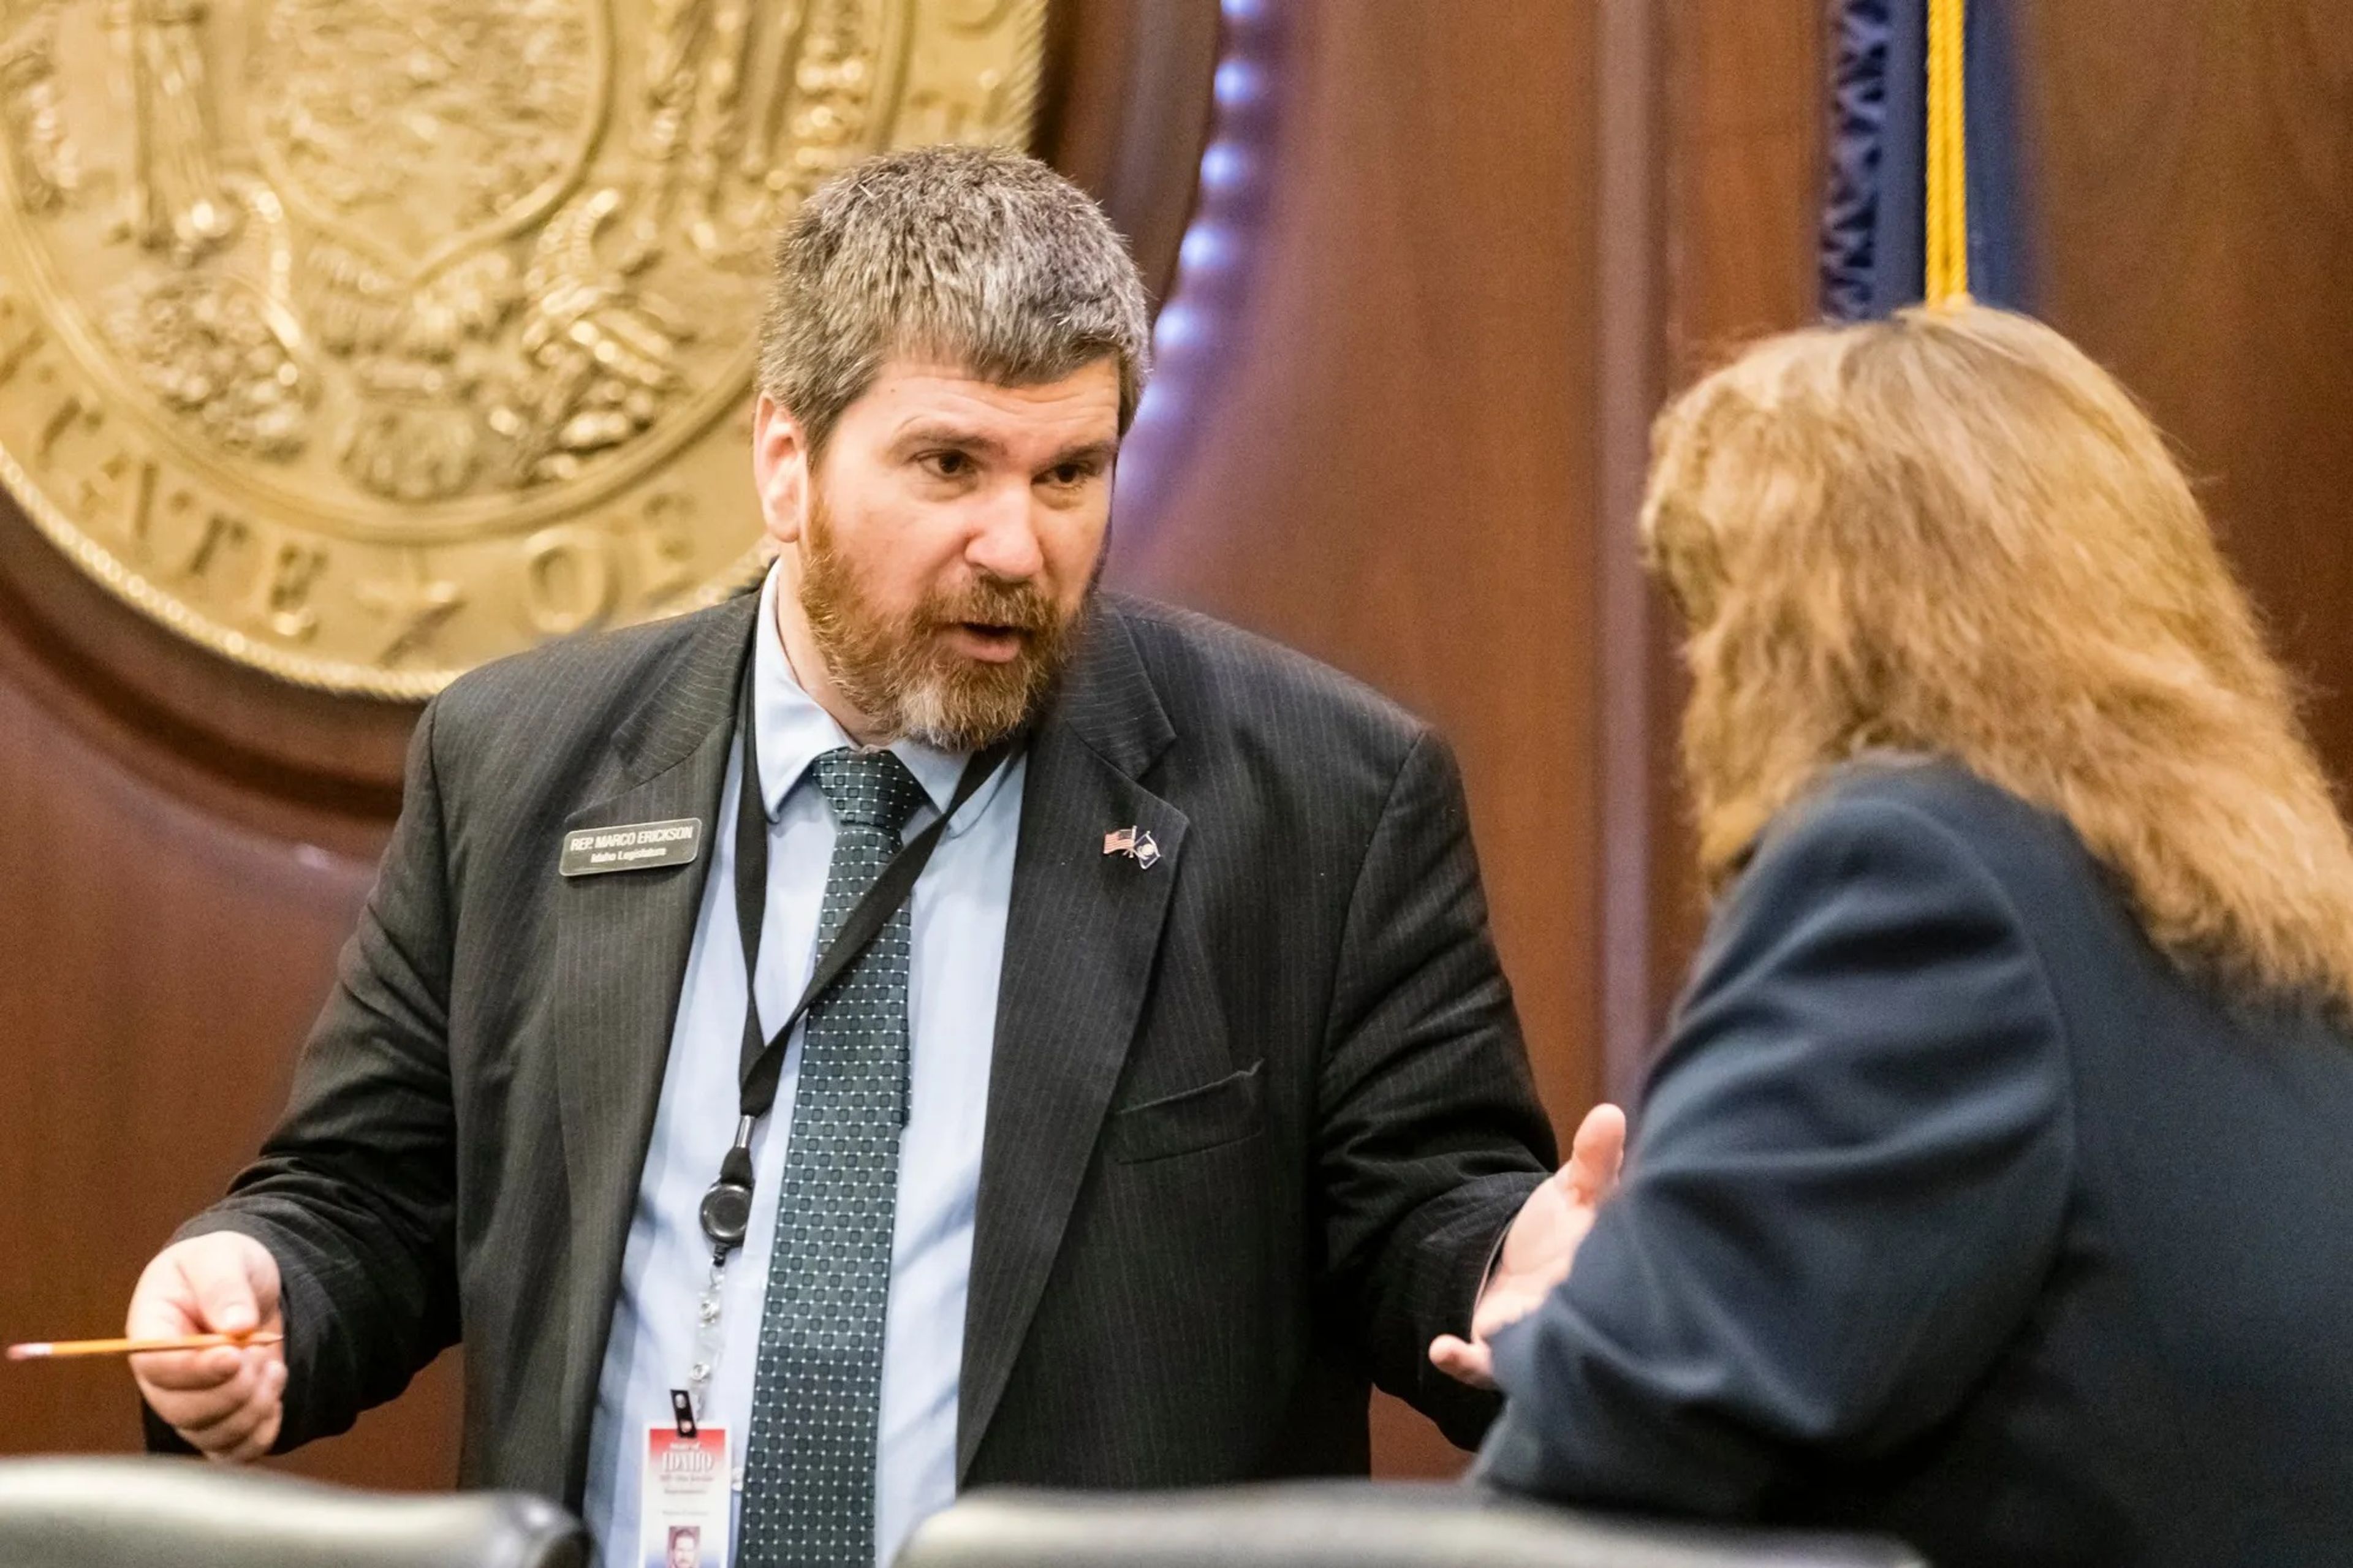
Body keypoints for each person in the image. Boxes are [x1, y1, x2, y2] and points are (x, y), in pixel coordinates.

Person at [122, 146, 1593, 1567]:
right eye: (949, 463)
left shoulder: (1320, 797)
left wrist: (1511, 1273)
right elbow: (372, 1195)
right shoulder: (519, 764)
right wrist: (264, 1288)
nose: (1016, 543)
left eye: (1069, 472)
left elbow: (1428, 1203)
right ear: (787, 461)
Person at [1440, 306, 2353, 1566]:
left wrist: (1577, 1324)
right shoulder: (2264, 905)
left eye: (1713, 618)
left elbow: (1621, 1429)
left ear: (1802, 635)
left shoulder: (1918, 870)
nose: (1703, 678)